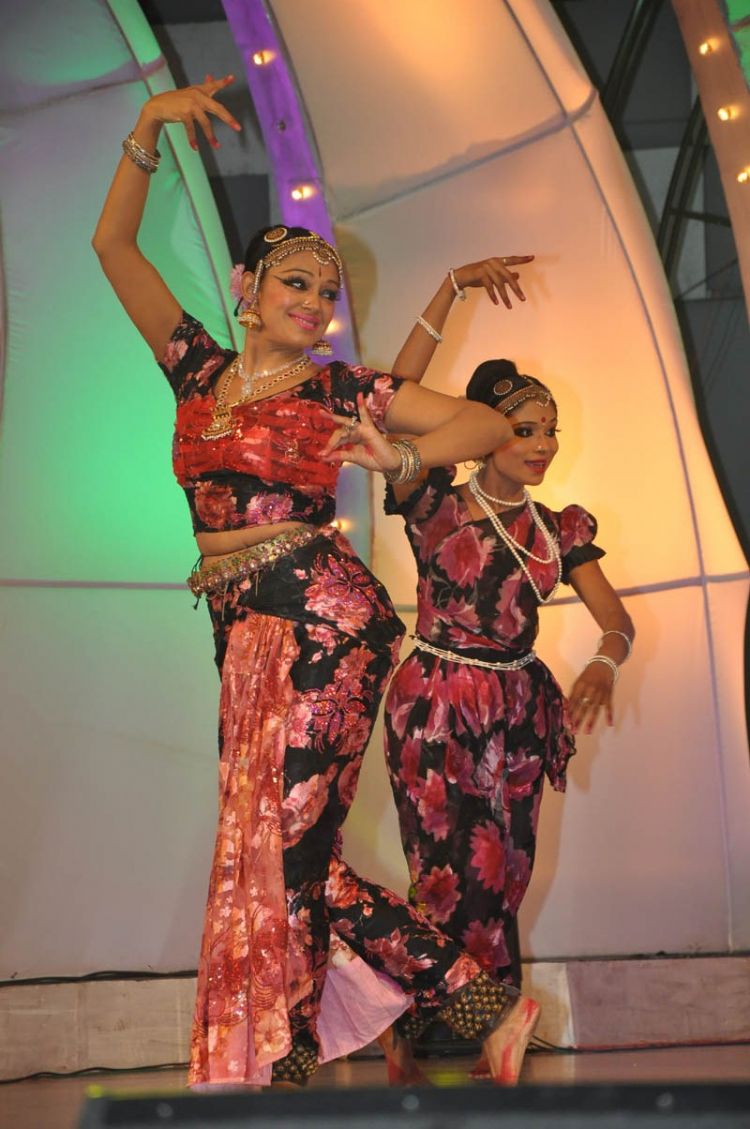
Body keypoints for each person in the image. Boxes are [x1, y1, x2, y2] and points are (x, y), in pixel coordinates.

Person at [92, 74, 541, 1088]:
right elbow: (115, 249)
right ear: (246, 290)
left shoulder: (341, 390)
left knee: (287, 850)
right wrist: (146, 127)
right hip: (241, 624)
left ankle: (472, 998)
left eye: (326, 292)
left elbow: (482, 424)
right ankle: (286, 1058)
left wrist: (403, 458)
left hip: (326, 621)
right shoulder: (194, 367)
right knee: (269, 852)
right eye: (293, 283)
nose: (312, 303)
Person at [378, 359, 634, 1070]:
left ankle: (476, 1027)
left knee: (505, 873)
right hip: (436, 702)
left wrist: (604, 662)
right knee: (444, 873)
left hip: (519, 710)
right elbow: (392, 399)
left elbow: (617, 622)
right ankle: (420, 1020)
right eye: (525, 429)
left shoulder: (558, 527)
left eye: (551, 430)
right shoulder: (433, 501)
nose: (543, 444)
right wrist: (448, 300)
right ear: (484, 432)